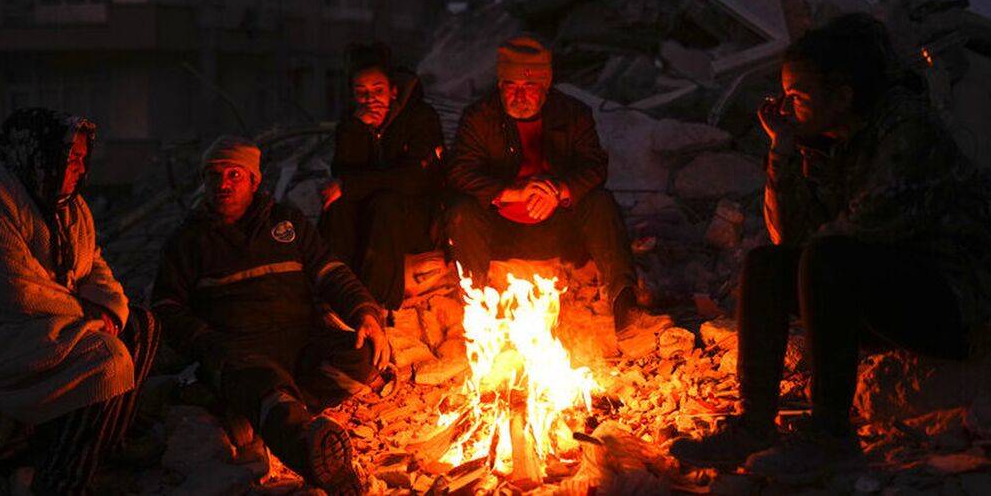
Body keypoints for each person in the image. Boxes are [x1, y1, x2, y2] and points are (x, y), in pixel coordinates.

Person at [670, 14, 991, 479]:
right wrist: (784, 149)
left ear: (843, 95)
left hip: (959, 303)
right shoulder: (835, 139)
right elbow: (789, 241)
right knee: (767, 264)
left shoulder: (906, 131)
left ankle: (830, 434)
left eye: (797, 96)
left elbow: (859, 232)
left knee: (829, 256)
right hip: (886, 293)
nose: (786, 106)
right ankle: (754, 424)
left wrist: (815, 243)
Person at [151, 136, 390, 495]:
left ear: (254, 180)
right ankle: (316, 460)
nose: (223, 184)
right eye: (214, 176)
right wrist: (205, 343)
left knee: (361, 357)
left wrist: (364, 312)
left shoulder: (286, 224)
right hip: (239, 351)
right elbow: (167, 307)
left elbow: (330, 272)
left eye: (234, 174)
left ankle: (271, 410)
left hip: (300, 340)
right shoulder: (188, 241)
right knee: (266, 386)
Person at [0, 108, 160, 495]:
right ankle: (62, 478)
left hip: (56, 322)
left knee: (142, 327)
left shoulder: (71, 208)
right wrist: (87, 314)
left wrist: (110, 309)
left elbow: (94, 266)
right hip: (1, 335)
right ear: (40, 155)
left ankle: (104, 443)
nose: (78, 167)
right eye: (69, 158)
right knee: (106, 361)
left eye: (81, 159)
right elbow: (18, 289)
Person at [444, 35, 640, 335]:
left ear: (546, 86)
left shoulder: (573, 114)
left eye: (529, 86)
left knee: (600, 202)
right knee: (462, 211)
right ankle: (477, 312)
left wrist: (558, 190)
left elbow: (595, 167)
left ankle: (625, 305)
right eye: (511, 86)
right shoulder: (480, 117)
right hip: (501, 230)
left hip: (558, 229)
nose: (519, 96)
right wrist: (513, 193)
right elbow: (459, 171)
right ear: (500, 86)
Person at [319, 43, 445, 309]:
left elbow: (414, 178)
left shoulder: (420, 118)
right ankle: (336, 290)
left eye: (378, 91)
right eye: (361, 93)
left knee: (384, 203)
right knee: (337, 206)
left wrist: (352, 185)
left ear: (393, 92)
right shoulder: (352, 122)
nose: (370, 100)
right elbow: (342, 172)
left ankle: (378, 299)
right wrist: (357, 130)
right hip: (368, 207)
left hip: (414, 212)